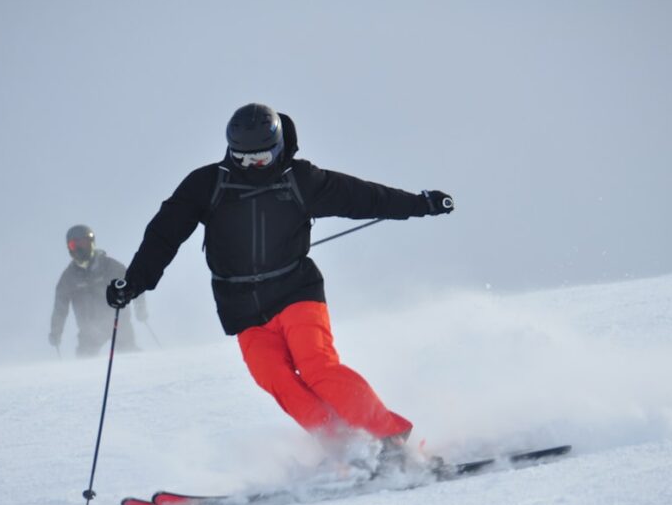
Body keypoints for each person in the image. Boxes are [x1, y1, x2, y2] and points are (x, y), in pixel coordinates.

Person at [106, 103, 453, 461]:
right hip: (241, 307)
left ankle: (390, 438)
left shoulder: (300, 179)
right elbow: (165, 233)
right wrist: (134, 282)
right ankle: (342, 446)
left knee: (318, 366)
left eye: (262, 157)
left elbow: (364, 196)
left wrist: (421, 203)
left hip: (295, 291)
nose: (253, 165)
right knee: (276, 379)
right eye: (243, 159)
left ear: (277, 146)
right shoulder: (207, 184)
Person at [49, 224, 147, 357]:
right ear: (69, 248)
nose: (79, 248)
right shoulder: (69, 278)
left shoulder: (110, 266)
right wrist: (56, 331)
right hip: (89, 330)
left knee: (128, 353)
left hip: (118, 322)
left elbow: (133, 283)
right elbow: (60, 308)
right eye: (74, 245)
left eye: (83, 243)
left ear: (91, 243)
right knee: (84, 360)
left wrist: (140, 308)